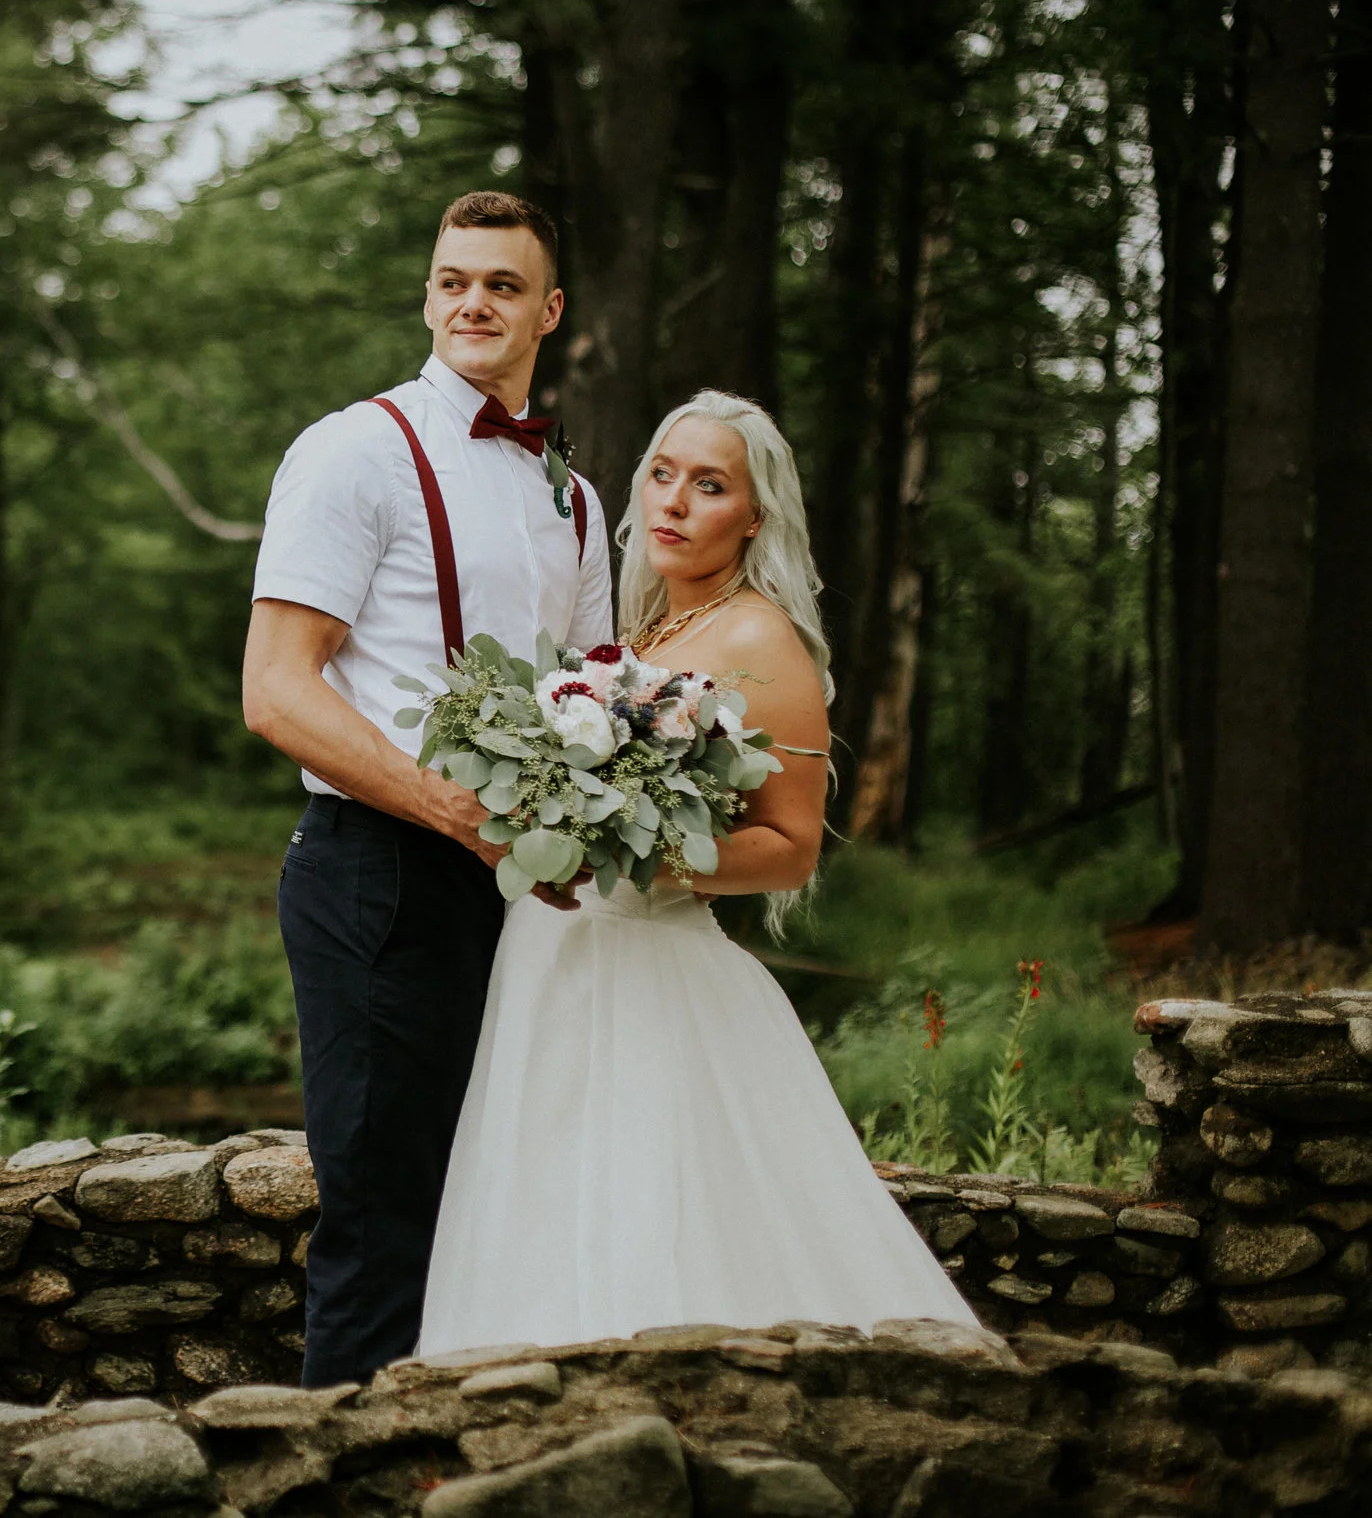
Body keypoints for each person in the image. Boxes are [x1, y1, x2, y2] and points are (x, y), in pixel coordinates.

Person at [415, 390, 979, 1353]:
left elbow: (792, 844)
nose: (674, 502)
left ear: (753, 518)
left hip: (654, 970)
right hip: (551, 957)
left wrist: (639, 851)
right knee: (540, 1199)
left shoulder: (764, 640)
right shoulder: (637, 638)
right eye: (663, 477)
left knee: (653, 1208)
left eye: (708, 485)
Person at [242, 190, 612, 1387]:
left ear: (547, 311)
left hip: (527, 898)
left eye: (501, 285)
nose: (472, 301)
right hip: (378, 875)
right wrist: (454, 808)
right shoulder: (355, 449)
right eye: (453, 279)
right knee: (384, 1220)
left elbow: (593, 691)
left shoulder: (575, 494)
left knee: (499, 1210)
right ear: (426, 294)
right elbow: (277, 692)